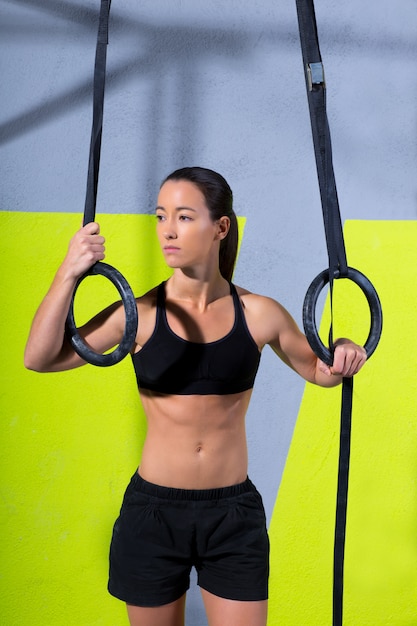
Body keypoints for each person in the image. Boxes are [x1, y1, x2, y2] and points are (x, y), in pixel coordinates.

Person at [24, 167, 367, 626]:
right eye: (162, 216)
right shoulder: (140, 315)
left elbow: (319, 369)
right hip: (153, 514)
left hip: (233, 516)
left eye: (184, 217)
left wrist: (345, 349)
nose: (168, 229)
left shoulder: (259, 313)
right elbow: (40, 357)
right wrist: (69, 272)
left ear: (220, 227)